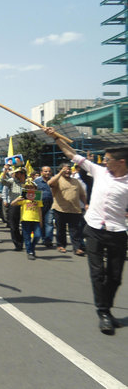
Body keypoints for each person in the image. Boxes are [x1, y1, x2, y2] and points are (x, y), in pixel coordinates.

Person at [45, 128, 128, 335]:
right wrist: (55, 137)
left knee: (115, 277)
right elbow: (72, 155)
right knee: (98, 273)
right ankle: (104, 314)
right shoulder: (99, 171)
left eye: (108, 160)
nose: (104, 162)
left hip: (118, 232)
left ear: (121, 162)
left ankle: (106, 309)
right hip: (93, 230)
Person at [48, 163, 86, 255]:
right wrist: (61, 172)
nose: (68, 171)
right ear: (60, 170)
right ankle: (61, 245)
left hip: (75, 209)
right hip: (60, 209)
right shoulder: (57, 180)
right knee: (61, 229)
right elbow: (50, 183)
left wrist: (86, 204)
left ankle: (77, 248)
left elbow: (82, 194)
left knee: (75, 230)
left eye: (69, 169)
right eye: (65, 169)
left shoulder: (76, 181)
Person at [11, 179, 43, 260]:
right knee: (27, 237)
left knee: (37, 236)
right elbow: (12, 204)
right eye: (28, 187)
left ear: (35, 188)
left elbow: (39, 210)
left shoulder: (37, 197)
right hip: (25, 219)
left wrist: (41, 221)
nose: (30, 189)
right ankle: (30, 252)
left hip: (36, 219)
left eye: (32, 187)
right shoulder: (23, 197)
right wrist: (17, 200)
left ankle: (32, 247)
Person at [0, 166, 26, 250]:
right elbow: (2, 181)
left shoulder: (28, 182)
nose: (18, 174)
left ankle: (23, 240)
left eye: (20, 173)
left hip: (26, 206)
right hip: (14, 205)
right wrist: (5, 171)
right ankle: (17, 244)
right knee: (14, 226)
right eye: (16, 173)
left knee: (26, 225)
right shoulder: (11, 181)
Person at [34, 166, 55, 248]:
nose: (47, 173)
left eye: (49, 171)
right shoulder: (36, 182)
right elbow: (33, 192)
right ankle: (42, 238)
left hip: (51, 204)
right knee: (40, 222)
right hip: (39, 205)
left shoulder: (54, 181)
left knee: (49, 222)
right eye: (45, 171)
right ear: (41, 172)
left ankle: (48, 240)